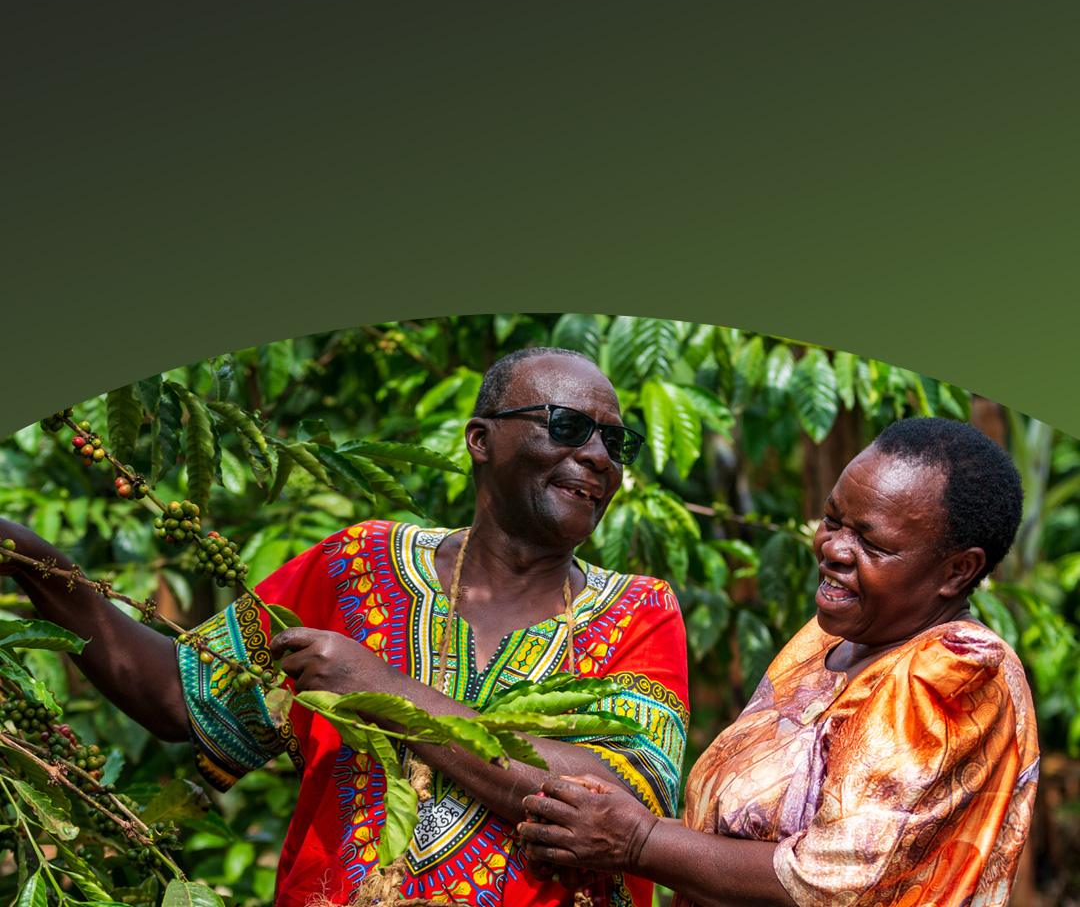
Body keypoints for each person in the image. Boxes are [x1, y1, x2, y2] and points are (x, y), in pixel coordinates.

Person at [0, 348, 689, 907]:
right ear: (481, 439)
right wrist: (32, 559)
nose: (599, 455)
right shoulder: (357, 565)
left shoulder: (638, 610)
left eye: (615, 442)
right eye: (568, 426)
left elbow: (613, 801)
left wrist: (385, 690)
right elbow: (183, 698)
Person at [518, 417, 1039, 907]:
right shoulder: (828, 638)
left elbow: (827, 880)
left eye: (872, 543)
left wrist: (639, 840)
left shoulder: (961, 672)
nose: (833, 549)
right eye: (833, 521)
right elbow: (741, 835)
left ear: (957, 571)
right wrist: (596, 829)